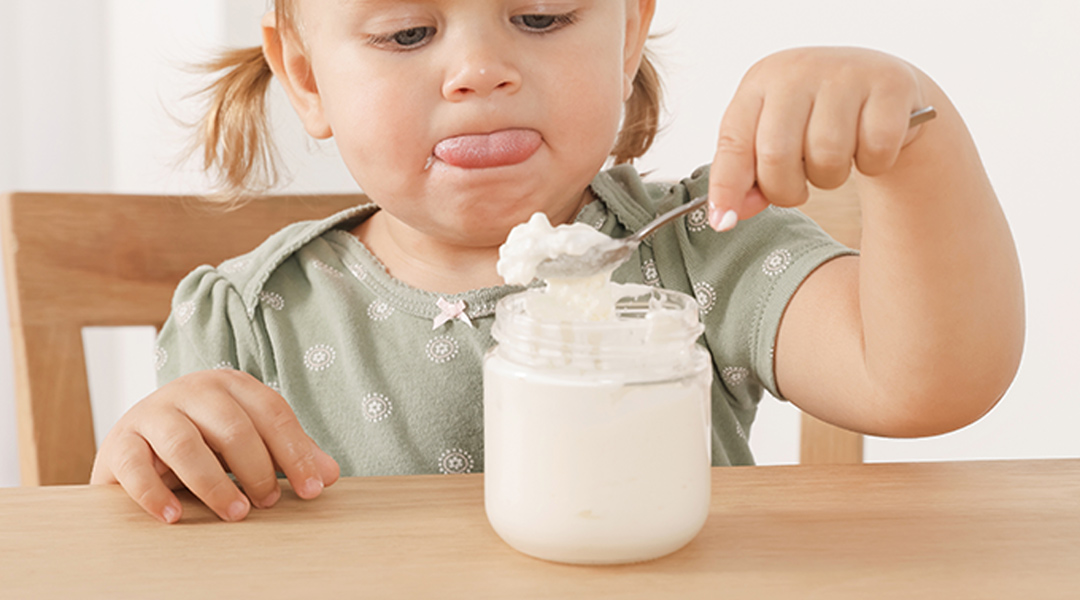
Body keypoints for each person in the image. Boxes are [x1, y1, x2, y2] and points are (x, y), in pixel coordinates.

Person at [90, 0, 1025, 525]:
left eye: (539, 16)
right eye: (408, 34)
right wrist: (157, 451)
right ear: (304, 74)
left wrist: (921, 138)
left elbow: (926, 385)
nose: (479, 72)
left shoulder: (704, 253)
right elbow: (164, 533)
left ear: (625, 35)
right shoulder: (251, 319)